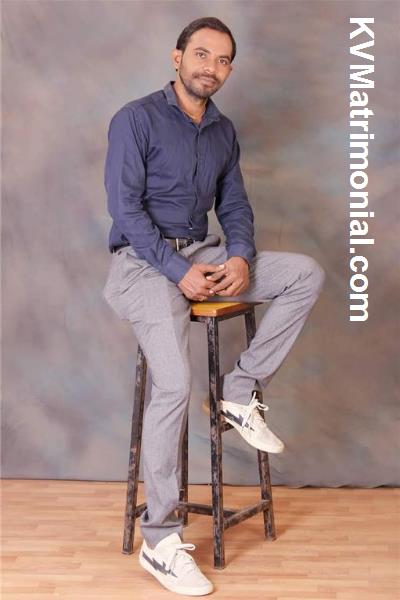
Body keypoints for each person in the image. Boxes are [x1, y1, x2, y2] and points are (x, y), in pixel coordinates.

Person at [102, 16, 325, 596]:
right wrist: (177, 271)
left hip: (204, 254)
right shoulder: (135, 119)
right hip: (144, 264)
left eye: (223, 60)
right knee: (175, 384)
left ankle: (238, 389)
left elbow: (236, 206)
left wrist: (242, 256)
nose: (212, 67)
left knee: (305, 273)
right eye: (202, 54)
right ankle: (160, 539)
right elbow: (126, 211)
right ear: (176, 57)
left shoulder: (223, 131)